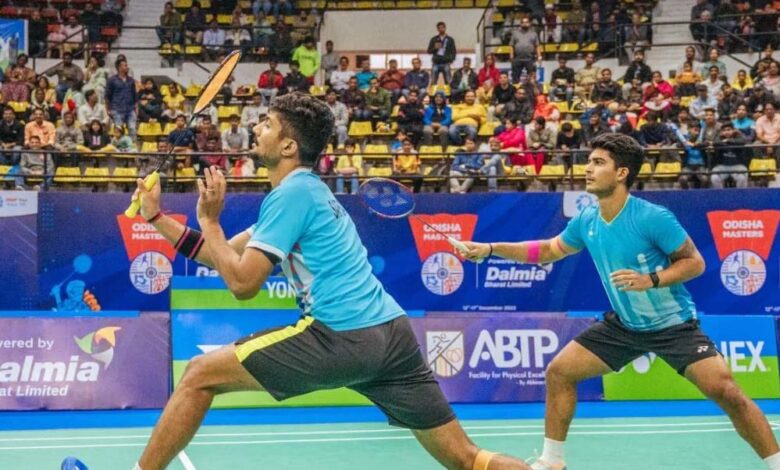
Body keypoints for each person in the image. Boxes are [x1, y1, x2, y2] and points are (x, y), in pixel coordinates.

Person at [126, 92, 531, 470]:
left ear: (288, 146)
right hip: (392, 335)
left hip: (341, 335)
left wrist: (210, 220)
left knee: (198, 375)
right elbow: (220, 256)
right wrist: (155, 217)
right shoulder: (307, 193)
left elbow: (242, 284)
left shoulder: (292, 196)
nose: (256, 128)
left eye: (266, 124)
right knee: (466, 458)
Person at [461, 133, 780, 470]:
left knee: (727, 392)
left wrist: (651, 279)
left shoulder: (651, 217)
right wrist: (491, 249)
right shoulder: (587, 219)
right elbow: (548, 250)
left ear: (622, 173)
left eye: (598, 163)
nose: (588, 168)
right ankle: (552, 462)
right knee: (560, 372)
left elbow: (695, 262)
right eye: (589, 161)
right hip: (625, 327)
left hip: (674, 327)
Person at [105, 58, 138, 139]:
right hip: (117, 109)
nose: (127, 67)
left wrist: (136, 109)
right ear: (119, 68)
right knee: (119, 131)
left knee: (132, 129)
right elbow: (107, 96)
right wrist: (107, 109)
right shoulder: (112, 80)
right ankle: (120, 146)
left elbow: (134, 95)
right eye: (125, 65)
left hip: (130, 109)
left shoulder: (131, 80)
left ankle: (132, 146)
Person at [510, 16, 541, 84]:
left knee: (532, 77)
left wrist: (539, 56)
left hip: (530, 59)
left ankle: (532, 89)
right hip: (517, 58)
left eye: (526, 22)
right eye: (523, 22)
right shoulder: (515, 33)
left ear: (529, 23)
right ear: (520, 24)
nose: (525, 24)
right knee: (515, 78)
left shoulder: (533, 34)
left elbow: (537, 46)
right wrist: (511, 55)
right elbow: (511, 45)